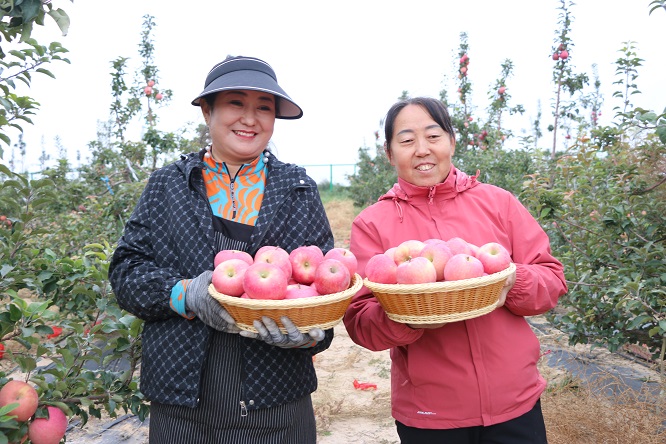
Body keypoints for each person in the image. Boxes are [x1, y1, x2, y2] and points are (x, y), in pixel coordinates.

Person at [108, 55, 335, 444]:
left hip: (276, 400)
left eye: (263, 107)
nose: (250, 118)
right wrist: (184, 294)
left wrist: (310, 334)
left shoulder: (297, 189)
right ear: (207, 112)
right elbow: (127, 270)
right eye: (236, 103)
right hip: (181, 406)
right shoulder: (169, 186)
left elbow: (324, 286)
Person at [343, 96, 568, 444]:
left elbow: (551, 280)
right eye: (406, 140)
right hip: (430, 415)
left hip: (516, 404)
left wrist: (512, 280)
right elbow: (360, 321)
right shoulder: (372, 224)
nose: (422, 150)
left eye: (433, 136)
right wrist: (406, 317)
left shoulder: (499, 203)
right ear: (389, 153)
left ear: (451, 141)